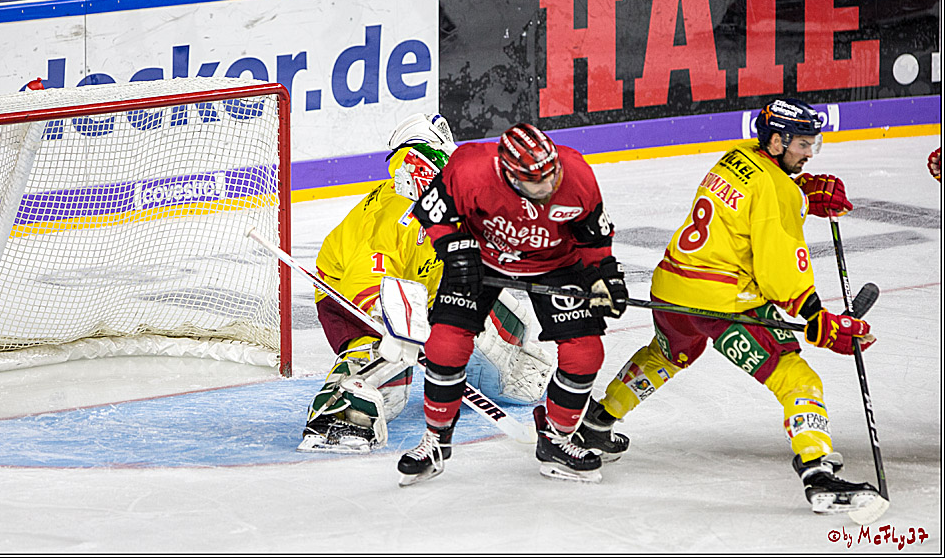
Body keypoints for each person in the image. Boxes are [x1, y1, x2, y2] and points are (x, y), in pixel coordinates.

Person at [581, 98, 881, 515]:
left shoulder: (737, 157)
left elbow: (753, 202)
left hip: (671, 288)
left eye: (813, 144)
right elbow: (780, 273)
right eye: (802, 144)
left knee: (666, 355)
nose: (810, 153)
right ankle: (818, 475)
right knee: (797, 377)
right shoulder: (778, 190)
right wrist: (818, 318)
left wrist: (801, 195)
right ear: (776, 142)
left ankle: (597, 423)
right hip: (724, 305)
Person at [301, 114, 554, 454]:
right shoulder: (392, 213)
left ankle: (502, 361)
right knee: (388, 363)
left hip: (417, 290)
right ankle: (335, 415)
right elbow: (364, 278)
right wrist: (398, 322)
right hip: (349, 298)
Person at [397, 122, 630, 485]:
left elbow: (593, 239)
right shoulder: (470, 168)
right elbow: (433, 214)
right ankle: (435, 440)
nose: (548, 186)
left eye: (552, 174)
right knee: (445, 345)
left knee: (585, 353)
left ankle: (556, 439)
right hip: (482, 260)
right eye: (536, 181)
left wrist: (604, 277)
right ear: (509, 174)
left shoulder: (577, 174)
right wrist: (455, 251)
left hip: (556, 263)